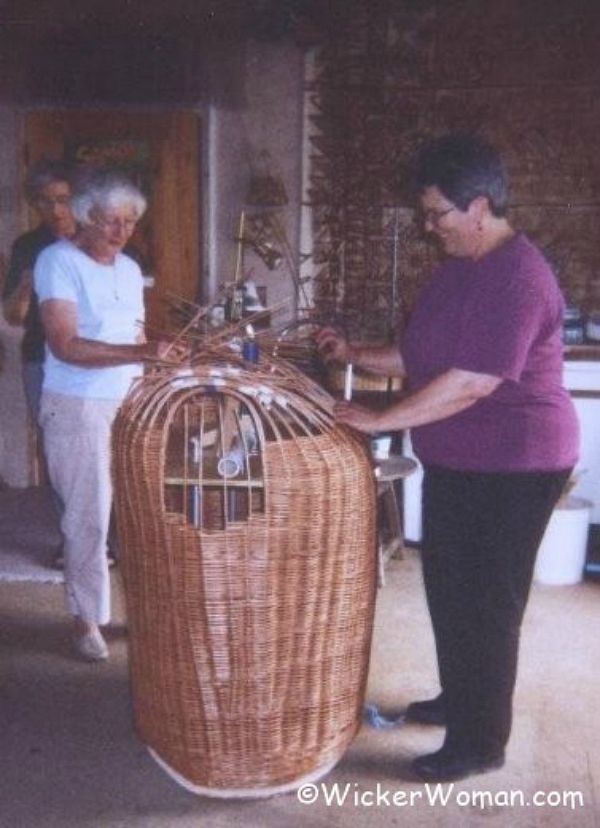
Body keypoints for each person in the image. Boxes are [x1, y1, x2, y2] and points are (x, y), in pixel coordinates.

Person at [316, 132, 579, 783]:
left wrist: (380, 419)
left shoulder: (518, 276)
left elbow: (474, 380)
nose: (430, 228)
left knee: (486, 605)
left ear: (480, 206)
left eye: (438, 214)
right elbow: (420, 355)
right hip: (463, 464)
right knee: (451, 593)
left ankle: (480, 743)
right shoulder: (459, 268)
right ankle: (462, 701)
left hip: (516, 468)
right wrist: (355, 355)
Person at [34, 171, 173, 663]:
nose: (121, 232)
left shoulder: (131, 270)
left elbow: (131, 337)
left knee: (137, 512)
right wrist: (140, 350)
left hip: (128, 400)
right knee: (87, 516)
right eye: (111, 221)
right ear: (89, 219)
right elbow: (65, 343)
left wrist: (153, 367)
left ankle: (139, 611)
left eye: (130, 222)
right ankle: (86, 620)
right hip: (78, 404)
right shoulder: (58, 261)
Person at [2, 160, 77, 419]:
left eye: (63, 199)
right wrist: (25, 285)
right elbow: (13, 316)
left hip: (88, 358)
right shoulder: (27, 245)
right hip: (40, 358)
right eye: (45, 202)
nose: (56, 210)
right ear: (35, 205)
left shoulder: (94, 241)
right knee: (48, 437)